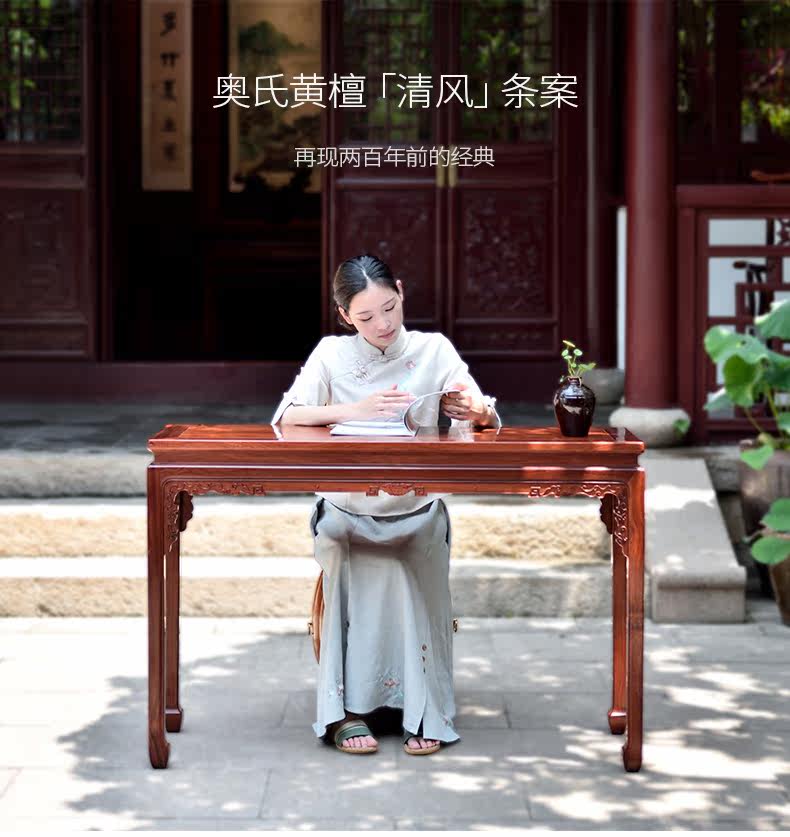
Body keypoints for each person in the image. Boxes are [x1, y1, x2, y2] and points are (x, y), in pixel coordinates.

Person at [270, 253, 501, 756]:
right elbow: (287, 416)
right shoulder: (331, 353)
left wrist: (475, 409)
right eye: (366, 316)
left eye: (390, 308)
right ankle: (346, 712)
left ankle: (424, 709)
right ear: (344, 315)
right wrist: (353, 410)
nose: (382, 324)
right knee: (341, 542)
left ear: (400, 291)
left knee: (414, 548)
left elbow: (482, 414)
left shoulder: (433, 349)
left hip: (415, 505)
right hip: (346, 507)